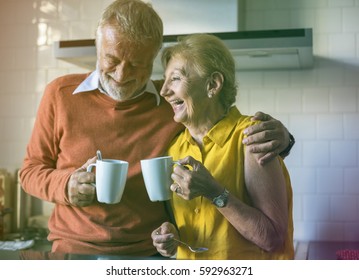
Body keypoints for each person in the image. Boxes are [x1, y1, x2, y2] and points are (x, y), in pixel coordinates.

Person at [20, 0, 293, 257]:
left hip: (148, 253)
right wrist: (66, 185)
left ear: (153, 58)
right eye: (112, 60)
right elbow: (30, 171)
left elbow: (223, 127)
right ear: (97, 47)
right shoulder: (60, 94)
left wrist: (284, 139)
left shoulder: (171, 106)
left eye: (137, 64)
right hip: (73, 249)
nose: (122, 75)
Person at [151, 33, 294, 260]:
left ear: (213, 85)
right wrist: (169, 237)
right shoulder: (174, 149)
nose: (164, 91)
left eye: (176, 79)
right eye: (165, 79)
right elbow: (187, 228)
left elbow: (272, 238)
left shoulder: (251, 137)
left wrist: (214, 191)